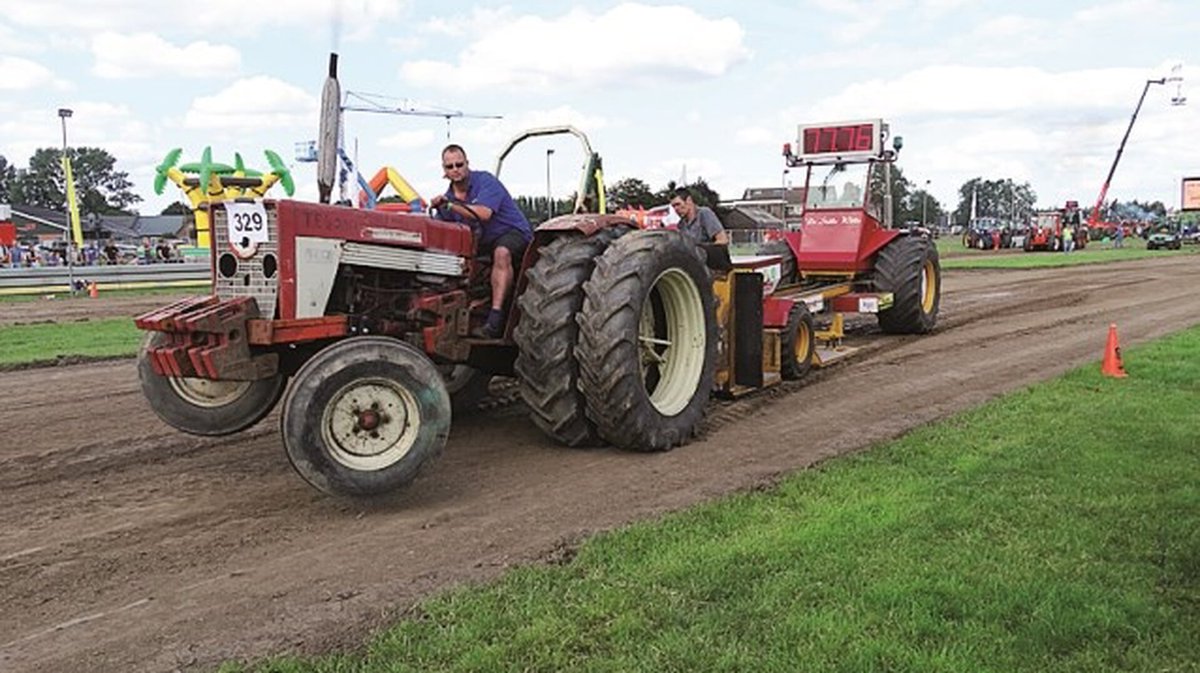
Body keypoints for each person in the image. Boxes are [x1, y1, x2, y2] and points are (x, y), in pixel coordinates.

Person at [431, 144, 533, 339]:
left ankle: (495, 320)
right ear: (444, 170)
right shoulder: (448, 198)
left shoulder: (485, 181)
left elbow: (483, 214)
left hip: (511, 233)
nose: (455, 170)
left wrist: (451, 205)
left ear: (467, 164)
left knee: (502, 252)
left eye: (459, 164)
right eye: (450, 166)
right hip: (481, 242)